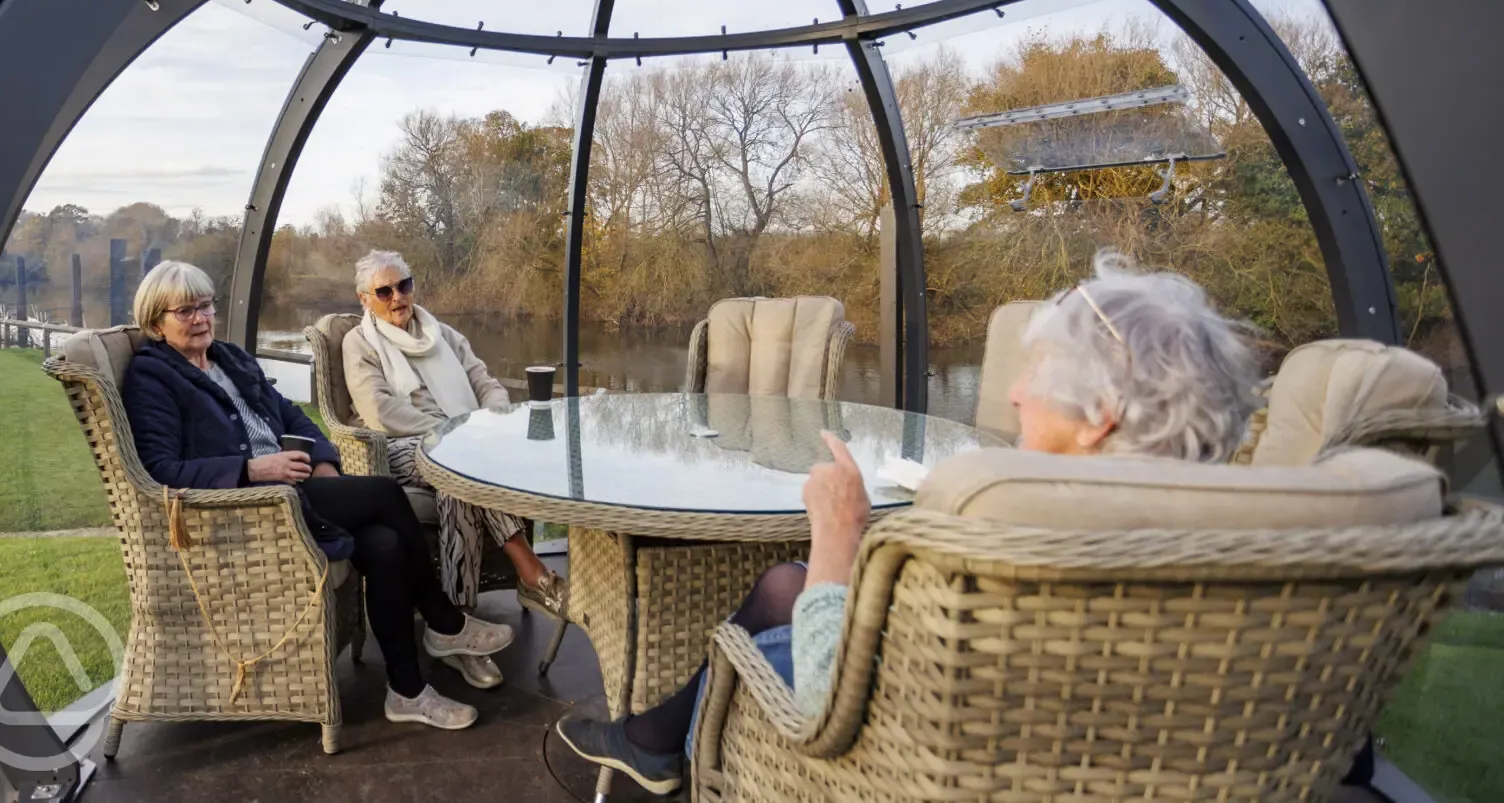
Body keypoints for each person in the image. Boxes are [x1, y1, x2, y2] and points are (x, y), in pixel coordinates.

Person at [555, 252, 1262, 793]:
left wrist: (838, 534)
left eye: (1037, 371)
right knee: (782, 582)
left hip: (894, 758)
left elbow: (828, 697)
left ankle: (655, 739)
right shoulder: (1258, 559)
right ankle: (649, 736)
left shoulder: (1023, 532)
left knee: (772, 607)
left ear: (1102, 411)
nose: (1014, 391)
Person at [119, 260, 514, 730]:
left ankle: (407, 692)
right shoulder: (152, 378)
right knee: (387, 493)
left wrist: (325, 464)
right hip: (253, 509)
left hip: (298, 487)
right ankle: (445, 623)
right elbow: (159, 471)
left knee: (385, 546)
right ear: (155, 322)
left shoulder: (228, 359)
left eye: (205, 305)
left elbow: (293, 417)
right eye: (185, 311)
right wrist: (250, 469)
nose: (201, 318)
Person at [341, 250, 569, 626]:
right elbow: (380, 410)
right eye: (384, 291)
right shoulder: (359, 343)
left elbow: (486, 383)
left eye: (404, 285)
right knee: (458, 462)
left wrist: (491, 420)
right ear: (364, 299)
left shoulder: (442, 334)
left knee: (455, 480)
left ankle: (458, 616)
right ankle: (532, 573)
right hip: (395, 444)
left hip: (463, 439)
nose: (398, 297)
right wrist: (449, 433)